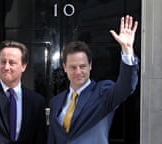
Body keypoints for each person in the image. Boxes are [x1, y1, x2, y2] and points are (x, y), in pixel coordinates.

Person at [48, 15, 139, 144]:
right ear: (64, 67)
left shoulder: (103, 93)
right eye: (73, 67)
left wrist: (127, 50)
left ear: (90, 65)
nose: (78, 72)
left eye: (83, 66)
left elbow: (126, 87)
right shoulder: (56, 102)